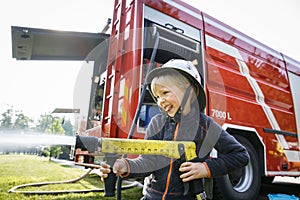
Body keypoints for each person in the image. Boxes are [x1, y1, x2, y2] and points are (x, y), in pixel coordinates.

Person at [100, 59, 250, 200]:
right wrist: (124, 166)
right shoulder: (157, 123)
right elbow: (148, 162)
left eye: (165, 93)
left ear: (190, 91)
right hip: (153, 196)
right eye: (157, 96)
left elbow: (240, 155)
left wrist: (205, 168)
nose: (160, 100)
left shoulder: (205, 125)